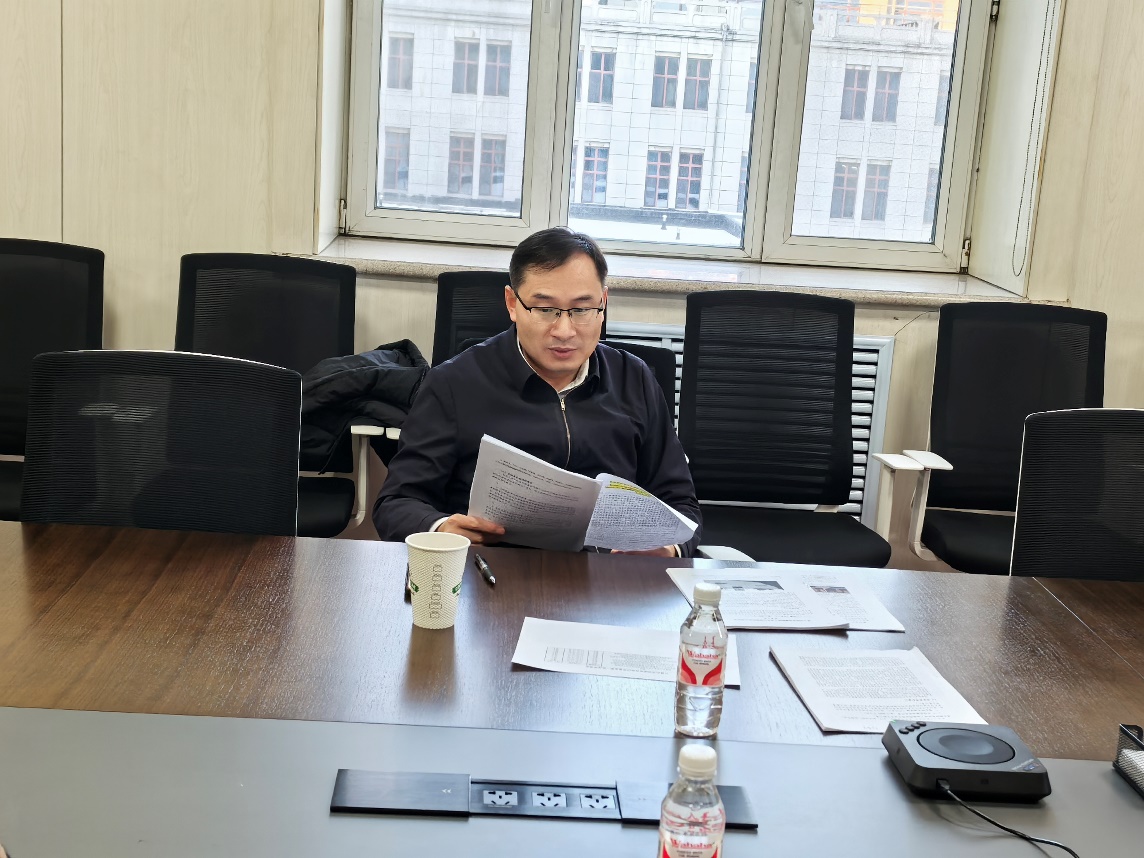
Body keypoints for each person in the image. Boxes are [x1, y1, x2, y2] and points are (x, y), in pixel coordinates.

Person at [373, 227, 701, 557]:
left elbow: (681, 504)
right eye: (545, 310)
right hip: (494, 570)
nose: (564, 331)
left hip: (609, 574)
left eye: (581, 310)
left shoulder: (634, 379)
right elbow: (397, 503)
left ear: (603, 302)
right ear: (512, 303)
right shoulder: (453, 383)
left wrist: (669, 547)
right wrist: (442, 528)